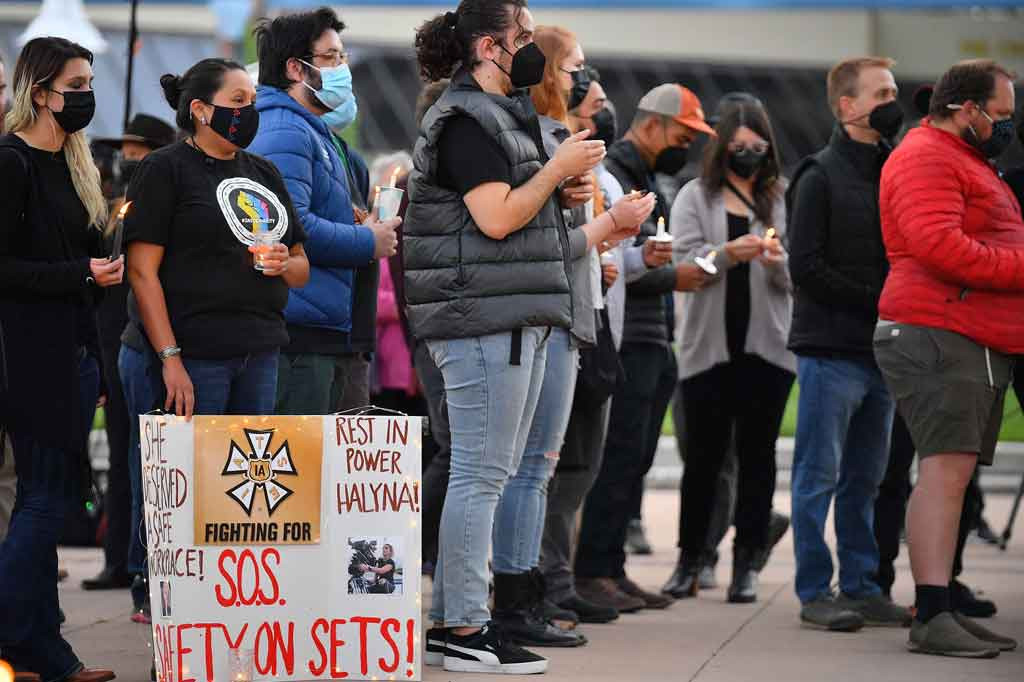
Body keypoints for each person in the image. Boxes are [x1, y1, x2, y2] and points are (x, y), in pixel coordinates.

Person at [408, 0, 614, 673]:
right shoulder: (468, 117)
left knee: (486, 471)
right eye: (523, 38)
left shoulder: (499, 114)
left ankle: (452, 621)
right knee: (481, 472)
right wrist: (554, 174)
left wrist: (558, 192)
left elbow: (508, 214)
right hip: (483, 318)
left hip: (504, 312)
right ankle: (466, 629)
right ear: (488, 47)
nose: (533, 49)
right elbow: (495, 219)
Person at [119, 57, 310, 624]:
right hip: (189, 351)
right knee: (176, 484)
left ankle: (227, 599)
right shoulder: (164, 169)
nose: (248, 112)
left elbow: (300, 265)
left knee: (245, 490)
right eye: (237, 101)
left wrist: (282, 261)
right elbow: (142, 271)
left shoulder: (263, 172)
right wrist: (170, 357)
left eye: (252, 100)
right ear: (200, 109)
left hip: (258, 348)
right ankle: (159, 592)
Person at [489, 25, 654, 648]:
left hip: (575, 319)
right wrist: (612, 225)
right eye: (575, 67)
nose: (584, 81)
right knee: (518, 470)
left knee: (544, 468)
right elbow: (540, 245)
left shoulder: (566, 142)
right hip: (543, 321)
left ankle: (528, 594)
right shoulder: (536, 142)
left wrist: (604, 238)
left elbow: (567, 245)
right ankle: (508, 600)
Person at [874, 58, 1022, 658]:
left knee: (953, 474)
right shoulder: (927, 155)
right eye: (1002, 115)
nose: (1007, 126)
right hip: (937, 329)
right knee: (943, 472)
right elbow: (939, 246)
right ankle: (932, 611)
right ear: (969, 110)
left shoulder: (958, 158)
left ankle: (944, 604)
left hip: (959, 330)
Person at [0, 36, 120, 682]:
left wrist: (95, 361)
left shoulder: (76, 163)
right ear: (40, 91)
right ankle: (22, 636)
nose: (85, 96)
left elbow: (82, 268)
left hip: (74, 353)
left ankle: (41, 646)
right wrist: (81, 272)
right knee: (43, 501)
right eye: (76, 84)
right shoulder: (11, 162)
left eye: (89, 83)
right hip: (27, 356)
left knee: (45, 502)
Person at [786, 56, 912, 631]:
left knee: (867, 478)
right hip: (831, 351)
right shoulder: (818, 174)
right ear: (848, 106)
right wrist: (880, 297)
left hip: (881, 351)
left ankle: (862, 586)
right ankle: (816, 590)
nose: (893, 100)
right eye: (882, 92)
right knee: (818, 477)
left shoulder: (895, 169)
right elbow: (805, 267)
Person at [576, 83, 710, 612]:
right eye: (683, 134)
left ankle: (611, 566)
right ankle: (593, 569)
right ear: (653, 124)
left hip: (652, 335)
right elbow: (613, 266)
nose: (687, 145)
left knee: (635, 459)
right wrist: (675, 274)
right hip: (628, 335)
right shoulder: (615, 176)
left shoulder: (651, 176)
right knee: (615, 459)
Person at [668, 98, 796, 604]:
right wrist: (725, 255)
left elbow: (795, 278)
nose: (748, 156)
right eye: (738, 147)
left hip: (766, 351)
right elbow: (683, 265)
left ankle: (747, 562)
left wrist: (775, 262)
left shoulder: (780, 196)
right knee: (702, 461)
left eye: (757, 148)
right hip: (709, 348)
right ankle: (690, 559)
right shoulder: (695, 196)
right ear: (721, 147)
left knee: (757, 459)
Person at [248, 7, 398, 416]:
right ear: (296, 69)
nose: (343, 69)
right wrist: (367, 240)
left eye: (343, 57)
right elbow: (288, 227)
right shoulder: (284, 129)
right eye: (330, 58)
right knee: (299, 469)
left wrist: (357, 221)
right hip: (299, 334)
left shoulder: (313, 130)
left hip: (323, 327)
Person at [83, 113, 176, 593]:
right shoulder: (109, 211)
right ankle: (117, 557)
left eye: (140, 157)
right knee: (121, 458)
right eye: (126, 158)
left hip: (149, 343)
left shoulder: (166, 200)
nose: (128, 166)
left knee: (150, 460)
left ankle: (145, 563)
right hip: (115, 341)